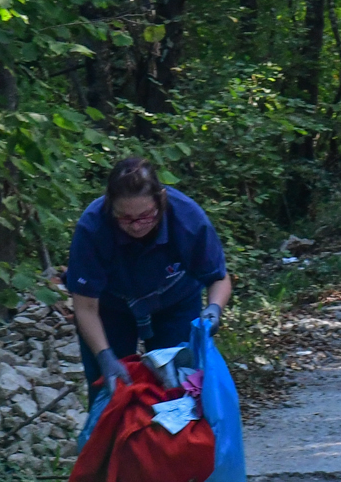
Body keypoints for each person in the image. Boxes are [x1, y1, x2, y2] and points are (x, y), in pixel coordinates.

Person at [65, 157, 232, 399]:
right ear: (110, 206)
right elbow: (85, 308)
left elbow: (218, 278)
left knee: (180, 388)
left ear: (161, 200)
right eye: (125, 218)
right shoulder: (92, 228)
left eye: (145, 216)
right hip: (111, 309)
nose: (136, 226)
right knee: (111, 393)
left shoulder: (187, 218)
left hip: (176, 303)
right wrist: (104, 356)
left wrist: (214, 309)